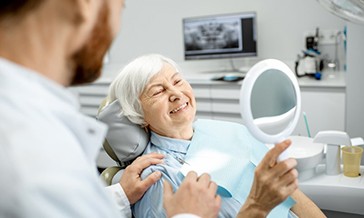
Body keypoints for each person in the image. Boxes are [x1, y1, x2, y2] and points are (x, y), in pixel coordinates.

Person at [0, 1, 223, 217]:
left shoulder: (28, 123)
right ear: (85, 4)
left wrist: (120, 195)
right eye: (120, 7)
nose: (116, 27)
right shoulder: (28, 149)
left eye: (177, 81)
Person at [106, 54, 326, 218]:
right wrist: (257, 205)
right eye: (158, 91)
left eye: (177, 81)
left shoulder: (229, 129)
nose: (175, 94)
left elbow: (291, 193)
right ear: (139, 114)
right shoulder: (156, 178)